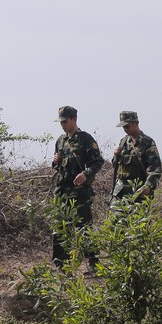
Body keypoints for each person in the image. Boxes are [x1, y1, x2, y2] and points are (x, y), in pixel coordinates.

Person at [52, 106, 104, 272]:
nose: (62, 125)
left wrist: (85, 174)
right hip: (62, 192)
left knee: (84, 228)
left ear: (74, 119)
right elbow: (57, 166)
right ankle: (62, 265)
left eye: (65, 121)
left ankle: (93, 263)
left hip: (79, 192)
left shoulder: (86, 139)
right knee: (60, 228)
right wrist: (55, 161)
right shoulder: (60, 140)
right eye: (60, 122)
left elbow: (97, 161)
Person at [111, 111, 162, 205]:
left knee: (139, 219)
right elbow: (116, 167)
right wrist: (116, 156)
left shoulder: (147, 142)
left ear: (136, 123)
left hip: (138, 193)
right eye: (123, 127)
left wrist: (148, 186)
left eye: (127, 126)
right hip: (120, 193)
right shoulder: (123, 142)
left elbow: (155, 169)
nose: (125, 129)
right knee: (115, 219)